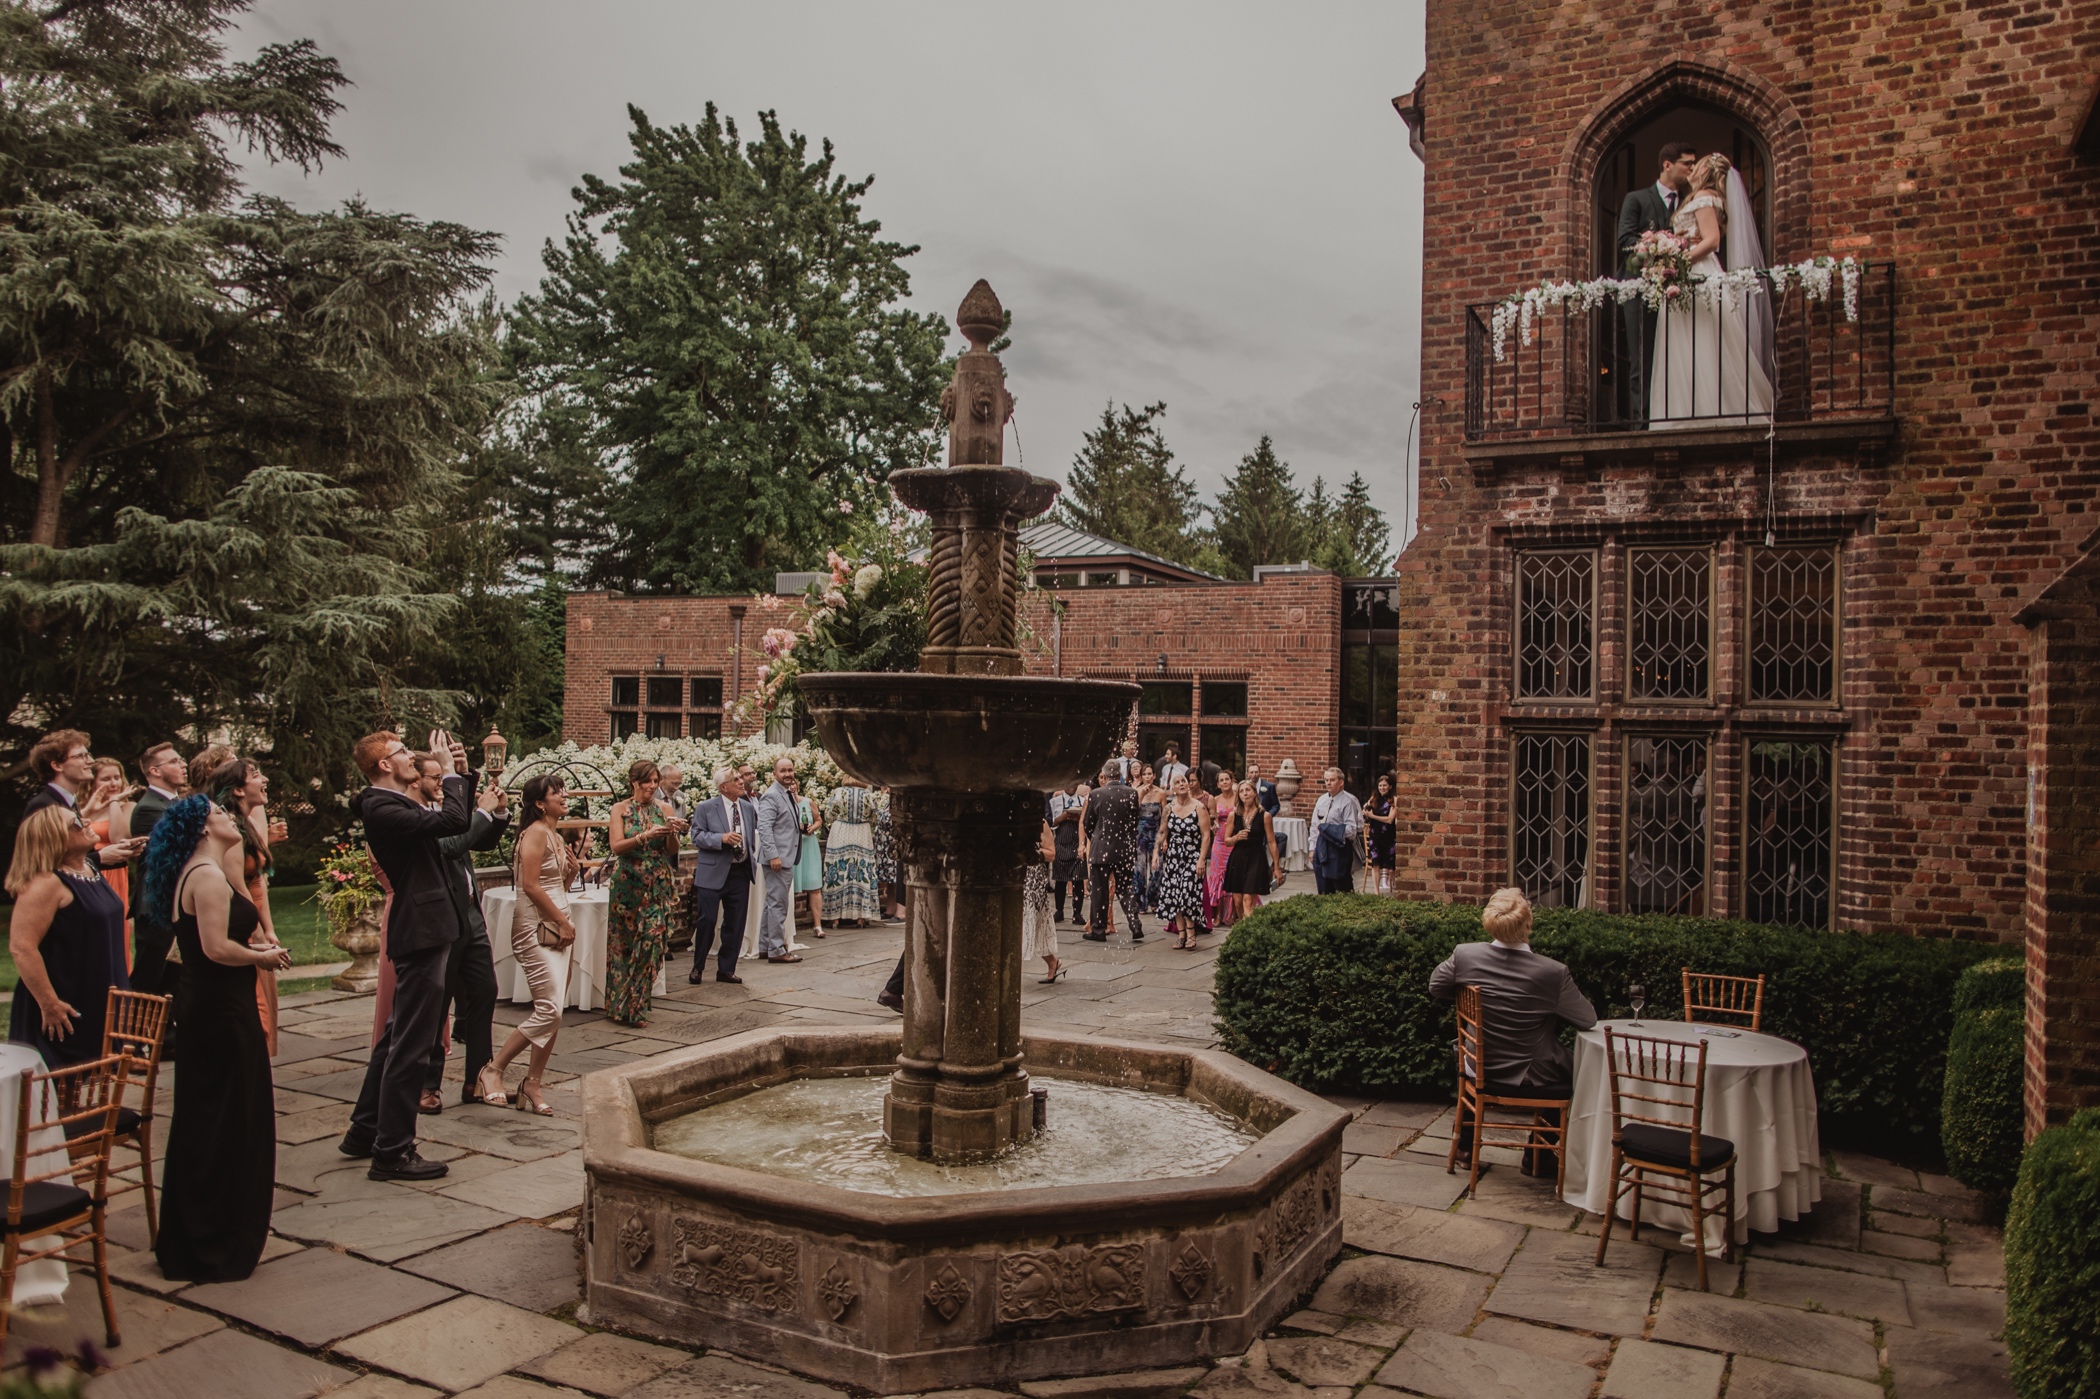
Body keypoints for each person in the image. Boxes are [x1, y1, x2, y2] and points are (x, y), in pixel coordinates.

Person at [143, 795, 291, 1282]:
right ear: (204, 829)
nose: (230, 818)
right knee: (224, 1117)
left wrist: (255, 944)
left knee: (215, 1115)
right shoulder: (205, 875)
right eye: (220, 814)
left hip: (217, 1004)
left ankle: (207, 1229)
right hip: (219, 1010)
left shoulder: (204, 870)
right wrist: (261, 957)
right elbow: (215, 949)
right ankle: (212, 1240)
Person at [340, 731, 471, 1181]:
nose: (411, 756)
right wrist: (448, 773)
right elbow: (454, 822)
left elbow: (453, 819)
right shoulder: (381, 807)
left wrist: (460, 772)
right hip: (420, 928)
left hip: (426, 926)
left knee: (397, 1035)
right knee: (412, 1046)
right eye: (401, 752)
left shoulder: (393, 803)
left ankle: (364, 1131)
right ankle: (392, 1151)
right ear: (383, 765)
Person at [1428, 887, 1597, 1172]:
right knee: (1576, 1074)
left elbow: (1436, 986)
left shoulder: (1465, 955)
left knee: (1473, 1058)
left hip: (1477, 1064)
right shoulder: (1552, 973)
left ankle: (1466, 1147)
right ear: (1528, 925)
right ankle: (1538, 1156)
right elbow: (1587, 1018)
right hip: (1530, 1075)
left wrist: (1465, 995)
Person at [1649, 152, 1774, 427]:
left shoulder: (1705, 197)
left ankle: (1707, 413)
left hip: (1698, 272)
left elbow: (1712, 240)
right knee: (1686, 342)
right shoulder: (1697, 198)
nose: (1693, 167)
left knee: (1703, 338)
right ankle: (1684, 412)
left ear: (1706, 171)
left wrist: (1678, 261)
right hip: (1686, 273)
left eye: (1698, 164)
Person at [6, 806, 129, 1066]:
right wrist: (49, 1003)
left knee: (99, 1076)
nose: (87, 822)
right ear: (54, 839)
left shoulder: (89, 869)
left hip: (97, 993)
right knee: (66, 1082)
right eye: (76, 823)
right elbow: (21, 947)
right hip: (65, 1003)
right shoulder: (46, 883)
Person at [486, 774, 577, 1116]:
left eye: (563, 790)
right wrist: (562, 922)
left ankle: (533, 1083)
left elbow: (556, 886)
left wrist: (572, 872)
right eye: (557, 793)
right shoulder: (536, 832)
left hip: (559, 925)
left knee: (554, 1010)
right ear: (540, 803)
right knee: (549, 1010)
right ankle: (493, 1069)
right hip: (536, 927)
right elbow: (531, 886)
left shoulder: (555, 834)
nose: (564, 796)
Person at [428, 771, 508, 1109]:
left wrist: (498, 813)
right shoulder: (418, 815)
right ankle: (427, 1084)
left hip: (471, 914)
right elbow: (451, 846)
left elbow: (479, 841)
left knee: (484, 990)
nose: (440, 783)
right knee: (438, 1002)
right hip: (441, 918)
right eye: (434, 776)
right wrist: (482, 812)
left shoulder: (448, 810)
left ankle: (478, 1078)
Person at [206, 759, 289, 1057]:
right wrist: (256, 933)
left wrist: (269, 928)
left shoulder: (247, 824)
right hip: (239, 925)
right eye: (255, 775)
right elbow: (237, 889)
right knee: (255, 1008)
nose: (264, 779)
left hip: (255, 920)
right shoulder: (229, 830)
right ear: (239, 790)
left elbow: (258, 882)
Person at [1616, 141, 1698, 426]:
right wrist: (1658, 246)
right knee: (1642, 357)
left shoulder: (1691, 201)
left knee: (1679, 354)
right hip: (1639, 287)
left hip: (1677, 289)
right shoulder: (1636, 199)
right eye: (1687, 163)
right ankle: (1643, 423)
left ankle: (1676, 418)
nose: (1692, 169)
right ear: (1667, 165)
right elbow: (1624, 242)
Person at [605, 759, 683, 1028]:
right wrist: (645, 836)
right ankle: (619, 1007)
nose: (652, 786)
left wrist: (672, 833)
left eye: (655, 781)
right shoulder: (620, 809)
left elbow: (672, 850)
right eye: (647, 781)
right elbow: (616, 846)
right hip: (627, 884)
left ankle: (637, 1008)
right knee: (623, 946)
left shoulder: (664, 808)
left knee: (651, 942)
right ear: (634, 782)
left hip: (656, 883)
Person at [128, 742, 189, 1004]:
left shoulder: (176, 803)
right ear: (154, 771)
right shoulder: (149, 808)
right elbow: (177, 851)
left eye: (181, 759)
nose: (183, 764)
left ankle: (169, 1030)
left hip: (176, 902)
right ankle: (135, 1028)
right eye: (174, 761)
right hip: (157, 905)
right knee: (150, 981)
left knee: (174, 981)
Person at [688, 765, 757, 985]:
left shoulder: (747, 808)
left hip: (740, 872)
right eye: (735, 779)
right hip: (712, 872)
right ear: (723, 787)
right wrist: (721, 839)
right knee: (707, 920)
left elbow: (751, 836)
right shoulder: (706, 807)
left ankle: (726, 969)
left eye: (740, 778)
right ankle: (698, 967)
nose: (741, 781)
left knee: (735, 923)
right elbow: (696, 836)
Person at [1081, 762, 1144, 944]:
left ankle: (1098, 930)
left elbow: (1088, 823)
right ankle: (1135, 925)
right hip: (1124, 849)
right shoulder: (1131, 793)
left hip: (1101, 849)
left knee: (1099, 891)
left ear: (1105, 774)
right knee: (1125, 888)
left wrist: (1097, 838)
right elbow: (1134, 820)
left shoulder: (1096, 794)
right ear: (1120, 773)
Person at [1153, 773, 1211, 947]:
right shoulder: (1169, 808)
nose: (1181, 784)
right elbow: (1162, 832)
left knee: (1188, 894)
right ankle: (1181, 934)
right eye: (1177, 782)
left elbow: (1206, 835)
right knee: (1174, 895)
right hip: (1174, 857)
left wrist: (1202, 860)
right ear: (1173, 788)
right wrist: (1156, 853)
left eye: (1183, 781)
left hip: (1192, 856)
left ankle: (1191, 933)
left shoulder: (1199, 807)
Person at [754, 757, 802, 964]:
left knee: (772, 903)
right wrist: (773, 855)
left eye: (790, 770)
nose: (788, 774)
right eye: (783, 771)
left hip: (785, 856)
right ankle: (776, 949)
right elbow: (764, 827)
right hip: (777, 859)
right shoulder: (771, 795)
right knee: (778, 904)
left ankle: (766, 947)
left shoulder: (787, 793)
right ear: (774, 774)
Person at [81, 758, 136, 919]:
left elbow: (119, 838)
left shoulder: (128, 807)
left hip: (113, 872)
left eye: (117, 778)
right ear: (92, 782)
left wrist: (114, 801)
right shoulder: (83, 808)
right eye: (106, 779)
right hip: (84, 870)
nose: (113, 784)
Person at [823, 778, 881, 927]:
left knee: (838, 868)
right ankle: (860, 916)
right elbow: (875, 819)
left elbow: (828, 815)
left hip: (841, 830)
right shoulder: (869, 795)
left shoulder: (838, 792)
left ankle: (835, 916)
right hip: (862, 832)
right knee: (861, 871)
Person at [1221, 780, 1278, 924]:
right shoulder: (1233, 815)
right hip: (1238, 858)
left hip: (1256, 858)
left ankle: (1248, 931)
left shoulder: (1265, 815)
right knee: (1238, 902)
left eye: (1248, 790)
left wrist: (1277, 867)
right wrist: (1236, 837)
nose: (1245, 794)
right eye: (1241, 791)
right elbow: (1226, 841)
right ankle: (1244, 926)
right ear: (1238, 795)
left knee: (1248, 900)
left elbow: (1271, 842)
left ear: (1255, 793)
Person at [1311, 767, 1364, 895]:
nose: (1328, 783)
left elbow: (1352, 830)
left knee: (1341, 887)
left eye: (1332, 780)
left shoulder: (1349, 801)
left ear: (1341, 782)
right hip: (1321, 848)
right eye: (1326, 780)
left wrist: (1329, 829)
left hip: (1338, 848)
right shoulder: (1322, 800)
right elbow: (1314, 825)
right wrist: (1312, 848)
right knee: (1323, 888)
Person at [1022, 820, 1063, 984]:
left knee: (1034, 923)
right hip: (1013, 875)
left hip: (1032, 880)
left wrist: (1030, 853)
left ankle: (1052, 962)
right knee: (1020, 924)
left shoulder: (1040, 823)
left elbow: (1051, 854)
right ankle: (1053, 962)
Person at [789, 771, 824, 936]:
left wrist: (813, 828)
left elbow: (819, 820)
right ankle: (789, 927)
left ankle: (818, 925)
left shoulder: (808, 802)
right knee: (790, 888)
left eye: (793, 783)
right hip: (792, 848)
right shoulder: (783, 804)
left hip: (809, 846)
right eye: (789, 785)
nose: (792, 787)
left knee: (814, 886)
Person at [1202, 769, 1237, 929]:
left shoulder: (1238, 798)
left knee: (1233, 875)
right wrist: (1213, 825)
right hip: (1219, 841)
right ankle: (1217, 914)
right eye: (1221, 780)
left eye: (1227, 779)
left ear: (1232, 780)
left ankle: (1232, 914)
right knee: (1216, 876)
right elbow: (1211, 820)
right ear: (1218, 784)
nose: (1224, 782)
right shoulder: (1215, 800)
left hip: (1234, 840)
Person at [1048, 784, 1086, 925]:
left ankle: (1077, 913)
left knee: (1078, 880)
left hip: (1077, 843)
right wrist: (1061, 818)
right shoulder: (1054, 801)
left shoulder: (1083, 801)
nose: (1071, 787)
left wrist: (1078, 820)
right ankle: (1059, 910)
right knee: (1060, 879)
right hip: (1061, 842)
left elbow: (1087, 822)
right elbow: (1049, 822)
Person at [1133, 764, 1164, 913]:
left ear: (1154, 776)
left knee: (1157, 869)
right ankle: (1141, 903)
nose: (1147, 777)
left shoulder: (1160, 793)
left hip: (1156, 833)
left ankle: (1154, 899)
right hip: (1140, 834)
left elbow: (1164, 817)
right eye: (1144, 774)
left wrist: (1164, 838)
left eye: (1149, 774)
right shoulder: (1136, 792)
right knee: (1139, 870)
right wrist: (1140, 796)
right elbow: (1132, 813)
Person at [1364, 773, 1399, 894]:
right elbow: (1365, 810)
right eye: (1380, 785)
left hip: (1388, 837)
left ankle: (1395, 887)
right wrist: (1366, 813)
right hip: (1375, 835)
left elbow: (1390, 819)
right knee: (1375, 864)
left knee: (1391, 867)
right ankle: (1376, 892)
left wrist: (1373, 816)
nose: (1382, 788)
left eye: (1384, 785)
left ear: (1390, 786)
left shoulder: (1393, 800)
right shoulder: (1373, 799)